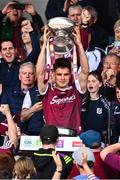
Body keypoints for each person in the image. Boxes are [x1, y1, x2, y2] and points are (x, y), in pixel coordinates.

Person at [36, 26, 89, 135]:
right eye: (59, 74)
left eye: (66, 74)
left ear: (71, 75)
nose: (62, 78)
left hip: (73, 137)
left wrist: (79, 44)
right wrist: (45, 46)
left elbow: (85, 70)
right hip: (51, 138)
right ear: (53, 74)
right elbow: (40, 72)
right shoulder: (47, 90)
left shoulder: (76, 89)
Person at [0, 62, 36, 136]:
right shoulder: (8, 93)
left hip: (33, 134)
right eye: (24, 73)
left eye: (31, 73)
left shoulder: (40, 94)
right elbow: (2, 115)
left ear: (35, 77)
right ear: (20, 76)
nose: (27, 76)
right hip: (12, 133)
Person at [81, 71, 108, 138]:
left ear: (100, 84)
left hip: (100, 142)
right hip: (85, 140)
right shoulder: (82, 101)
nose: (90, 84)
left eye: (93, 81)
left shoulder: (105, 102)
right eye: (88, 81)